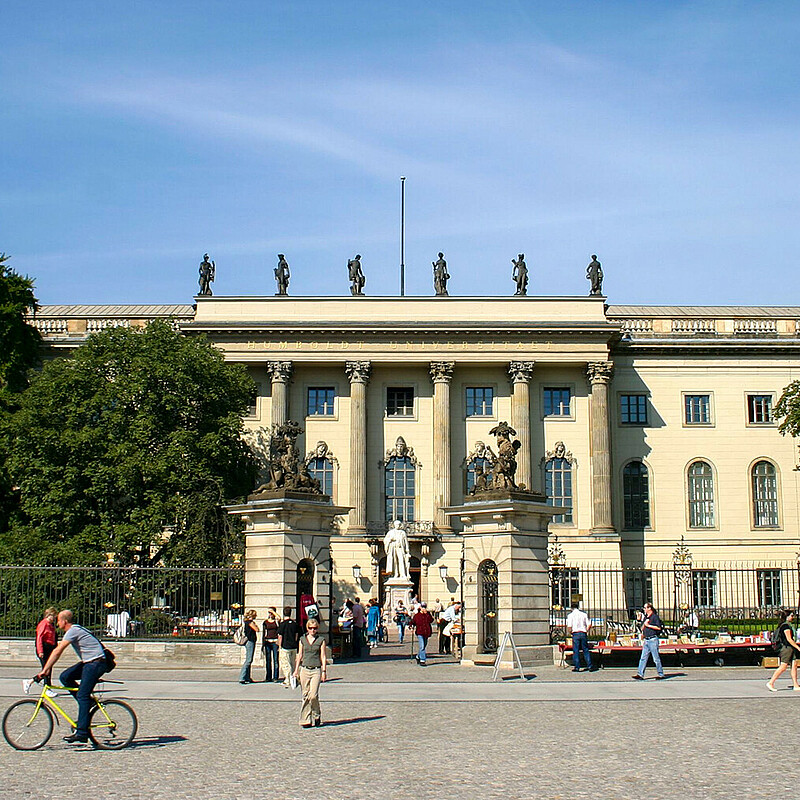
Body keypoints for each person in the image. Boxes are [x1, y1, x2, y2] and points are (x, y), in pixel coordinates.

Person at [35, 610, 107, 744]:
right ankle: (89, 703)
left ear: (64, 621)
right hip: (90, 662)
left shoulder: (73, 631)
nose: (57, 623)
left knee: (82, 695)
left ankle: (82, 733)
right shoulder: (74, 630)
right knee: (65, 677)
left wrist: (45, 670)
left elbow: (57, 651)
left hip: (96, 663)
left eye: (58, 620)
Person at [293, 617, 328, 728]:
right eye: (310, 628)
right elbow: (299, 655)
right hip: (304, 669)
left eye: (315, 628)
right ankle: (306, 719)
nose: (312, 630)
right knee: (305, 695)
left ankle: (316, 714)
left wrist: (324, 671)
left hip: (316, 670)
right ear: (307, 628)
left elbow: (323, 655)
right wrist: (296, 670)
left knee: (313, 695)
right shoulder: (302, 639)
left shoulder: (321, 640)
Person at [766, 609, 800, 692]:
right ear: (787, 617)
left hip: (790, 648)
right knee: (783, 666)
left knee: (794, 665)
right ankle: (771, 682)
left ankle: (795, 684)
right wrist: (798, 647)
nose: (793, 617)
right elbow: (789, 639)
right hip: (786, 648)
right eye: (791, 616)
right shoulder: (785, 626)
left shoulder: (788, 625)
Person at [633, 603, 665, 680]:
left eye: (645, 608)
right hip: (646, 639)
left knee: (656, 658)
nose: (644, 609)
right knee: (643, 657)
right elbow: (642, 628)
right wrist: (640, 620)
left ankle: (661, 674)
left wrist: (648, 625)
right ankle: (640, 674)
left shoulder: (654, 617)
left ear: (649, 608)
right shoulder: (646, 617)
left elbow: (658, 628)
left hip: (653, 639)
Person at [566, 601, 593, 672]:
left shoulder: (570, 615)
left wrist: (571, 632)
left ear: (572, 608)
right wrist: (586, 630)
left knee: (576, 650)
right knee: (585, 650)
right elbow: (589, 624)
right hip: (583, 632)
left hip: (575, 633)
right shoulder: (584, 614)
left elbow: (569, 627)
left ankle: (577, 667)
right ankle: (590, 665)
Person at [278, 606, 300, 689]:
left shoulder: (282, 624)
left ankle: (288, 679)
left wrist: (280, 646)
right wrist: (294, 642)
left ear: (284, 613)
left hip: (285, 646)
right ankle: (295, 678)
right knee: (293, 663)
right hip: (293, 646)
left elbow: (280, 636)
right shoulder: (295, 624)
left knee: (286, 664)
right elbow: (296, 635)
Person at [35, 606, 58, 681]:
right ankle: (47, 686)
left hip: (50, 648)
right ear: (49, 615)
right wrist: (40, 651)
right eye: (53, 616)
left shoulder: (50, 625)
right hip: (44, 647)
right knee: (46, 668)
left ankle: (32, 681)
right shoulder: (44, 624)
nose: (54, 618)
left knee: (48, 668)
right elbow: (39, 638)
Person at [238, 609, 258, 684]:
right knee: (249, 660)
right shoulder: (249, 622)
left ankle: (247, 677)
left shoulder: (246, 622)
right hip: (250, 641)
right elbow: (257, 629)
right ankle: (242, 677)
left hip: (250, 641)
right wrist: (254, 624)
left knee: (249, 660)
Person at [262, 607, 281, 682]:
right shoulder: (265, 622)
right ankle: (268, 676)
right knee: (268, 660)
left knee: (276, 660)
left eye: (271, 613)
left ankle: (275, 677)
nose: (270, 614)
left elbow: (279, 618)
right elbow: (263, 633)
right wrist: (263, 644)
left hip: (275, 641)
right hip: (267, 641)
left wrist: (274, 612)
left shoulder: (276, 621)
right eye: (269, 613)